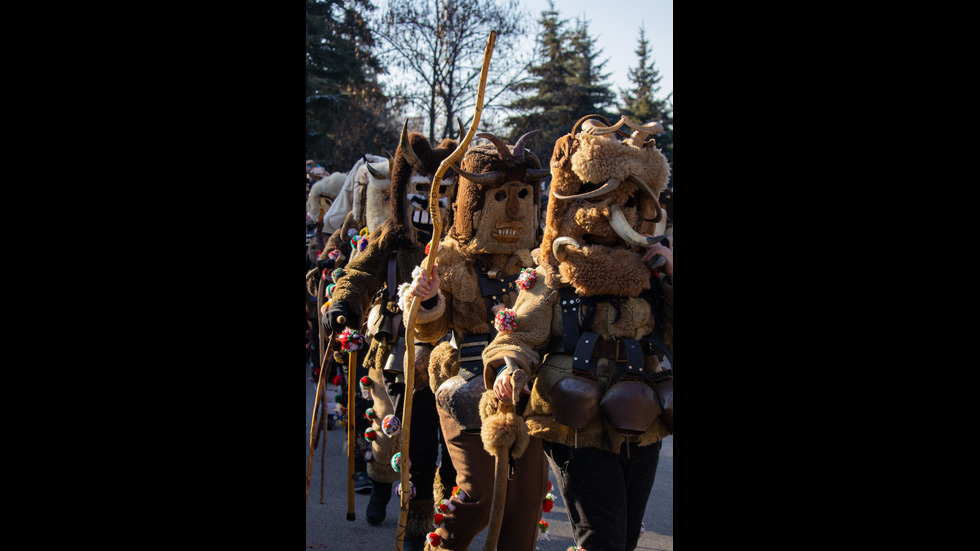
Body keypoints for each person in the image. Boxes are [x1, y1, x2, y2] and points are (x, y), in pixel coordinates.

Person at [481, 114, 673, 551]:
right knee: (601, 538)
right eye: (620, 202)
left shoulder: (651, 274)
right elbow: (517, 336)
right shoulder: (555, 274)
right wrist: (511, 368)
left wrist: (671, 277)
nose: (632, 214)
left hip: (642, 420)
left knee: (623, 538)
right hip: (576, 422)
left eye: (635, 203)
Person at [405, 131, 552, 550]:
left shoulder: (540, 263)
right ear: (473, 202)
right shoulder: (448, 260)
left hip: (524, 393)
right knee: (479, 496)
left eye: (522, 194)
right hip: (465, 385)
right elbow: (430, 330)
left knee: (524, 508)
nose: (512, 208)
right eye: (499, 195)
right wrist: (428, 299)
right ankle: (441, 544)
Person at [323, 121, 459, 551]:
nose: (431, 202)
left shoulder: (463, 246)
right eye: (422, 188)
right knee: (390, 437)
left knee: (450, 449)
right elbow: (358, 274)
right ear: (403, 190)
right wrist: (343, 304)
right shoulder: (388, 239)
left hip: (451, 361)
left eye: (443, 191)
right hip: (396, 357)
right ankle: (383, 485)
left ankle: (439, 519)